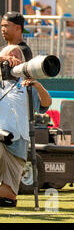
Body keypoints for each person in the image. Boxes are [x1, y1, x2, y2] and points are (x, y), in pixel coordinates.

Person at [0, 44, 52, 207]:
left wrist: (37, 85)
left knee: (7, 199)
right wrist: (2, 59)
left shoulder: (27, 85)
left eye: (18, 57)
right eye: (11, 56)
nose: (15, 60)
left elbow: (46, 103)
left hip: (18, 142)